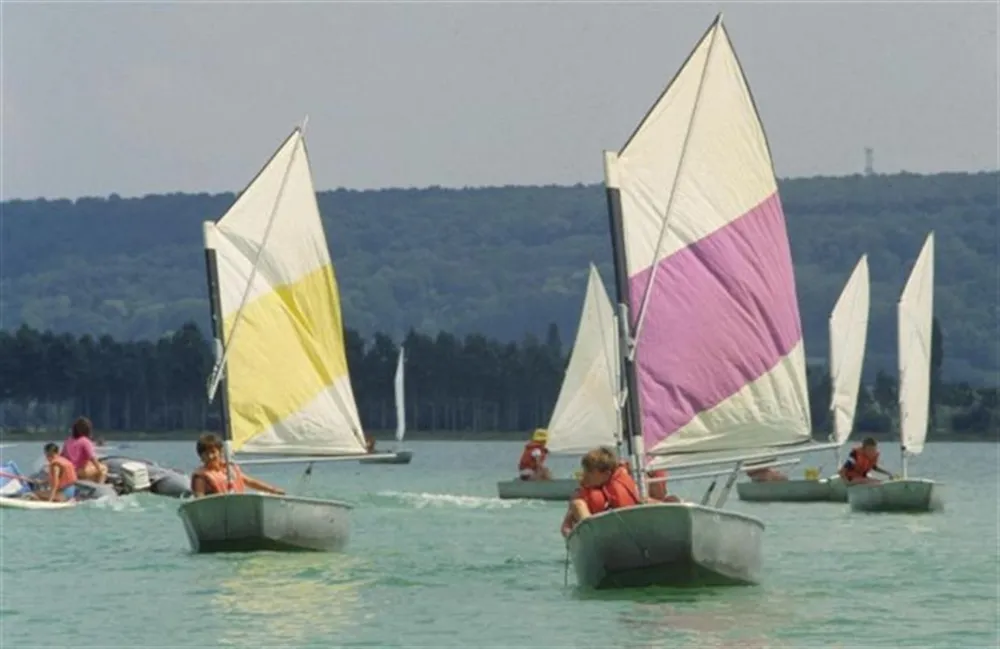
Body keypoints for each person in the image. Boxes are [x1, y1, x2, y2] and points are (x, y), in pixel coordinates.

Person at [561, 447, 642, 537]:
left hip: (614, 531)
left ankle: (595, 537)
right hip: (618, 530)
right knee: (577, 503)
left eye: (589, 472)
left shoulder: (618, 485)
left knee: (578, 504)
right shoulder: (598, 486)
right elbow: (565, 527)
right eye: (585, 471)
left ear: (606, 474)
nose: (585, 476)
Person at [190, 433, 286, 497]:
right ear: (201, 457)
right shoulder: (201, 477)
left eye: (213, 452)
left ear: (220, 452)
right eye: (206, 454)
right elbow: (199, 498)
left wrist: (273, 490)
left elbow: (249, 482)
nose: (210, 456)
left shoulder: (229, 468)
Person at [61, 416, 108, 484]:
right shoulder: (85, 441)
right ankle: (100, 486)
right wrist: (99, 469)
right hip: (79, 471)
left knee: (91, 467)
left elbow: (62, 456)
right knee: (103, 468)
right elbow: (92, 458)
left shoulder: (68, 440)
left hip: (69, 470)